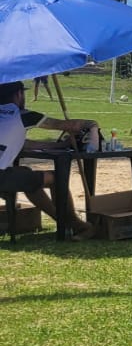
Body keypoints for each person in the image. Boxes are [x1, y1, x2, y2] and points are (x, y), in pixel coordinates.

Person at [0, 81, 95, 236]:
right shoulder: (23, 115)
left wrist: (58, 146)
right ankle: (76, 225)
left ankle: (64, 221)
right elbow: (68, 126)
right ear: (18, 94)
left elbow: (22, 144)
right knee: (56, 178)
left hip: (4, 174)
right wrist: (92, 124)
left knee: (27, 176)